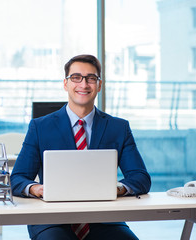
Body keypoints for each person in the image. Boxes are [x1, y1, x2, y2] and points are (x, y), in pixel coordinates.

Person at [10, 54, 151, 240]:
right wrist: (37, 189)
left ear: (99, 85)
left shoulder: (118, 128)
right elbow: (18, 178)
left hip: (104, 220)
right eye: (76, 77)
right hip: (53, 220)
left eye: (91, 78)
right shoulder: (40, 127)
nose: (83, 84)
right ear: (65, 84)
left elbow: (140, 177)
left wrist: (116, 188)